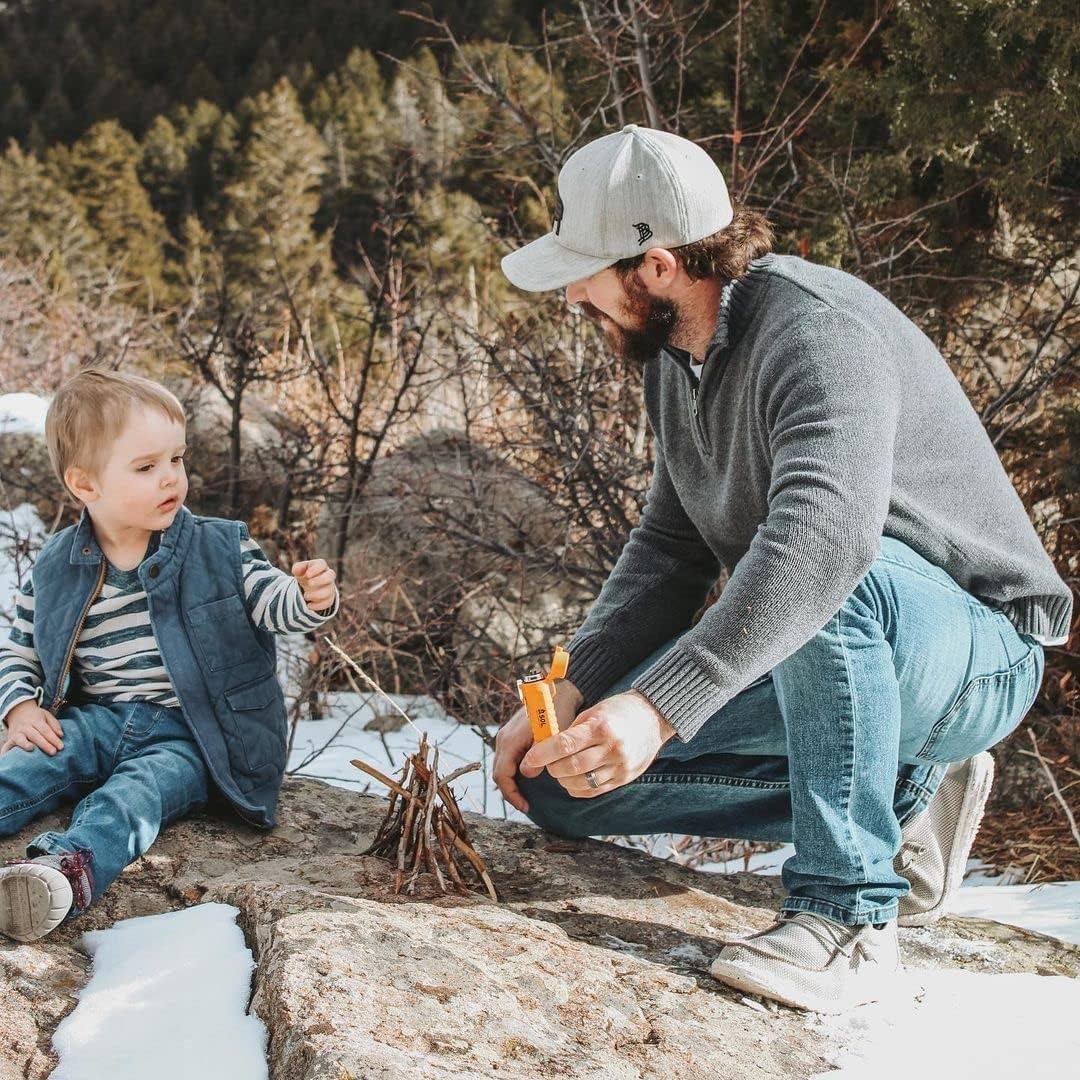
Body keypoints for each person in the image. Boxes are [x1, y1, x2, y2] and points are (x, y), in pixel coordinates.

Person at [493, 125, 1072, 1013]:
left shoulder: (816, 331)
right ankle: (907, 792)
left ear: (655, 266)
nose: (573, 294)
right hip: (849, 642)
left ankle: (849, 919)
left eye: (585, 272)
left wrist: (659, 706)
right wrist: (579, 689)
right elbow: (671, 548)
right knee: (569, 782)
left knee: (827, 578)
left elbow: (823, 544)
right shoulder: (674, 359)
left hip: (979, 645)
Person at [0, 369, 339, 941]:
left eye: (176, 459)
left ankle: (61, 873)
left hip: (194, 736)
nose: (171, 478)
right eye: (146, 466)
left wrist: (306, 595)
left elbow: (271, 604)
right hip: (95, 720)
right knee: (25, 766)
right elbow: (21, 647)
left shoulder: (218, 546)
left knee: (134, 798)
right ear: (85, 485)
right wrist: (19, 710)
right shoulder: (58, 565)